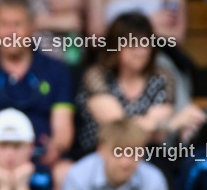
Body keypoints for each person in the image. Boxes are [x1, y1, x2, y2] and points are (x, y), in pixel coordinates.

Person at [0, 0, 75, 179]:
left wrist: (55, 148)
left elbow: (63, 131)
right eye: (4, 24)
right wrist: (6, 158)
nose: (11, 32)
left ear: (32, 27)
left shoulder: (56, 70)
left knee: (66, 172)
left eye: (18, 25)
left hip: (43, 160)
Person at [75, 13, 204, 162]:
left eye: (146, 43)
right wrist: (171, 123)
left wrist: (158, 127)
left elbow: (158, 136)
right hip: (99, 155)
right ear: (115, 46)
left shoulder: (162, 77)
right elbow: (120, 129)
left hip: (146, 156)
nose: (141, 52)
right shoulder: (96, 75)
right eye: (133, 44)